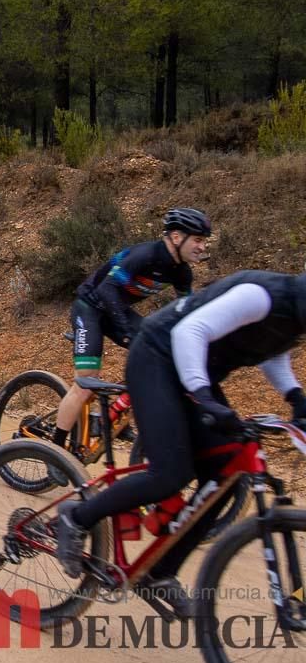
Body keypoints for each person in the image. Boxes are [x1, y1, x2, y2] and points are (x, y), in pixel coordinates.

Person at [55, 267, 306, 618]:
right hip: (157, 358)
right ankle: (76, 518)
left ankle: (160, 572)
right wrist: (204, 397)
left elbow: (270, 349)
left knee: (227, 476)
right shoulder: (261, 295)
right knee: (169, 473)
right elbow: (191, 331)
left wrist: (295, 397)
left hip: (193, 372)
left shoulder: (293, 316)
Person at [50, 208, 212, 458]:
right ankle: (54, 450)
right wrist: (126, 334)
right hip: (90, 307)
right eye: (198, 240)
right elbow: (106, 290)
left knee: (160, 355)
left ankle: (118, 415)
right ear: (177, 237)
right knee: (84, 384)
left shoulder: (182, 273)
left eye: (204, 241)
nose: (202, 247)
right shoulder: (146, 255)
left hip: (116, 310)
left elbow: (185, 314)